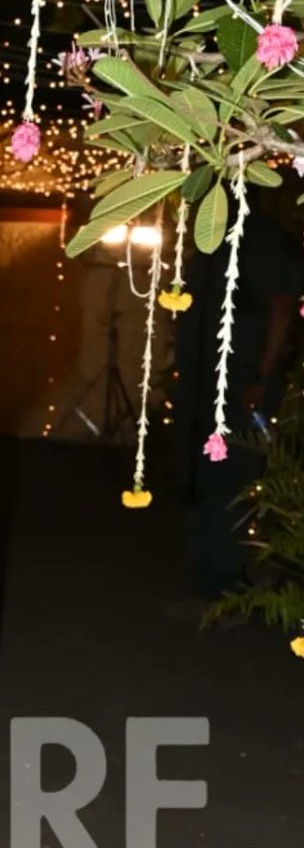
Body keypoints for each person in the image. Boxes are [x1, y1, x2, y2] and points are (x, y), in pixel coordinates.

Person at [172, 189, 302, 606]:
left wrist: (261, 378)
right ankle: (204, 572)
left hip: (242, 380)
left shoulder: (268, 242)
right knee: (201, 475)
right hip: (201, 380)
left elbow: (282, 311)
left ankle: (225, 579)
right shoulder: (211, 240)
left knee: (232, 478)